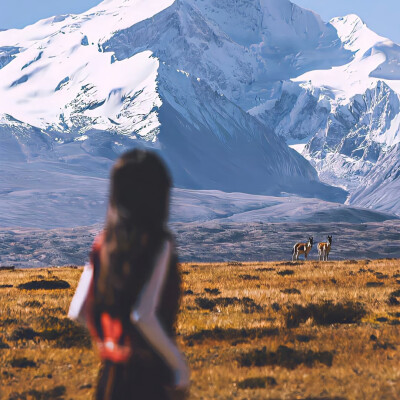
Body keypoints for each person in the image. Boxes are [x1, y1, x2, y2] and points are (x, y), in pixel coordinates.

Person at [68, 149, 190, 400]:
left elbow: (78, 311)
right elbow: (143, 315)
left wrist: (110, 341)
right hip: (151, 376)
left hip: (111, 375)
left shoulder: (102, 243)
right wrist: (178, 364)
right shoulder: (159, 242)